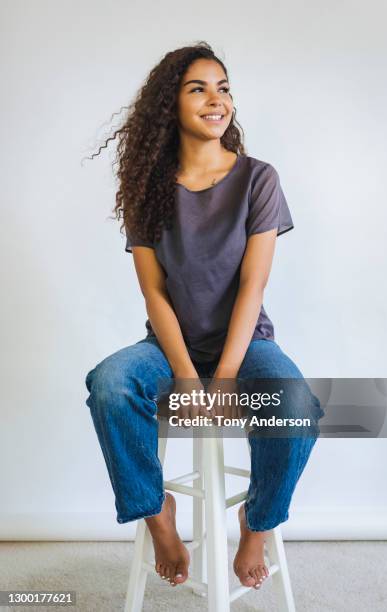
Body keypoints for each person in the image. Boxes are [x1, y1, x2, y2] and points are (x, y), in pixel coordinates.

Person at [85, 41, 324, 591]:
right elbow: (155, 294)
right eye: (199, 88)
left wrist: (220, 381)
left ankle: (256, 522)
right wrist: (188, 378)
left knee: (297, 406)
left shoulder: (258, 178)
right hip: (170, 347)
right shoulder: (147, 191)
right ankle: (156, 511)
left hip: (247, 345)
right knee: (111, 383)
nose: (216, 99)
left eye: (223, 87)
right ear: (170, 104)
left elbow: (252, 286)